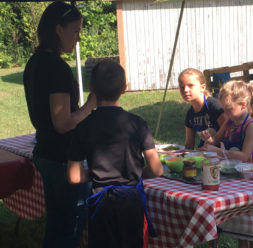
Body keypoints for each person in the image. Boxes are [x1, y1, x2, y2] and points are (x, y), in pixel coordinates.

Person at [67, 59, 163, 248]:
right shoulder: (138, 123)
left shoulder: (83, 127)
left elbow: (74, 176)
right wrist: (134, 173)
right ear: (124, 88)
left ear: (91, 88)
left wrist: (97, 174)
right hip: (130, 201)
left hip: (100, 203)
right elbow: (156, 169)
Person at [23, 2, 97, 248]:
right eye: (75, 31)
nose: (78, 38)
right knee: (69, 231)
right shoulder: (56, 68)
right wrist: (89, 106)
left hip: (45, 152)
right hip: (63, 159)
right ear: (58, 30)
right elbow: (63, 123)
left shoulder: (34, 62)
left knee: (56, 226)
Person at [200, 80, 253, 248]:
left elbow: (244, 156)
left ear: (243, 104)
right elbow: (216, 140)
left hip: (244, 179)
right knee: (230, 220)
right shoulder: (229, 121)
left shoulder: (250, 126)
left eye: (228, 109)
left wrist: (219, 152)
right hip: (227, 176)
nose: (225, 114)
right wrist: (207, 138)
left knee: (246, 229)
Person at [178, 68, 226, 150]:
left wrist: (214, 142)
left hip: (222, 154)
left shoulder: (214, 106)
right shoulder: (190, 114)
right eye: (182, 87)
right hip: (204, 153)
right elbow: (189, 144)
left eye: (190, 85)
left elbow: (228, 130)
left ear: (202, 87)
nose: (185, 90)